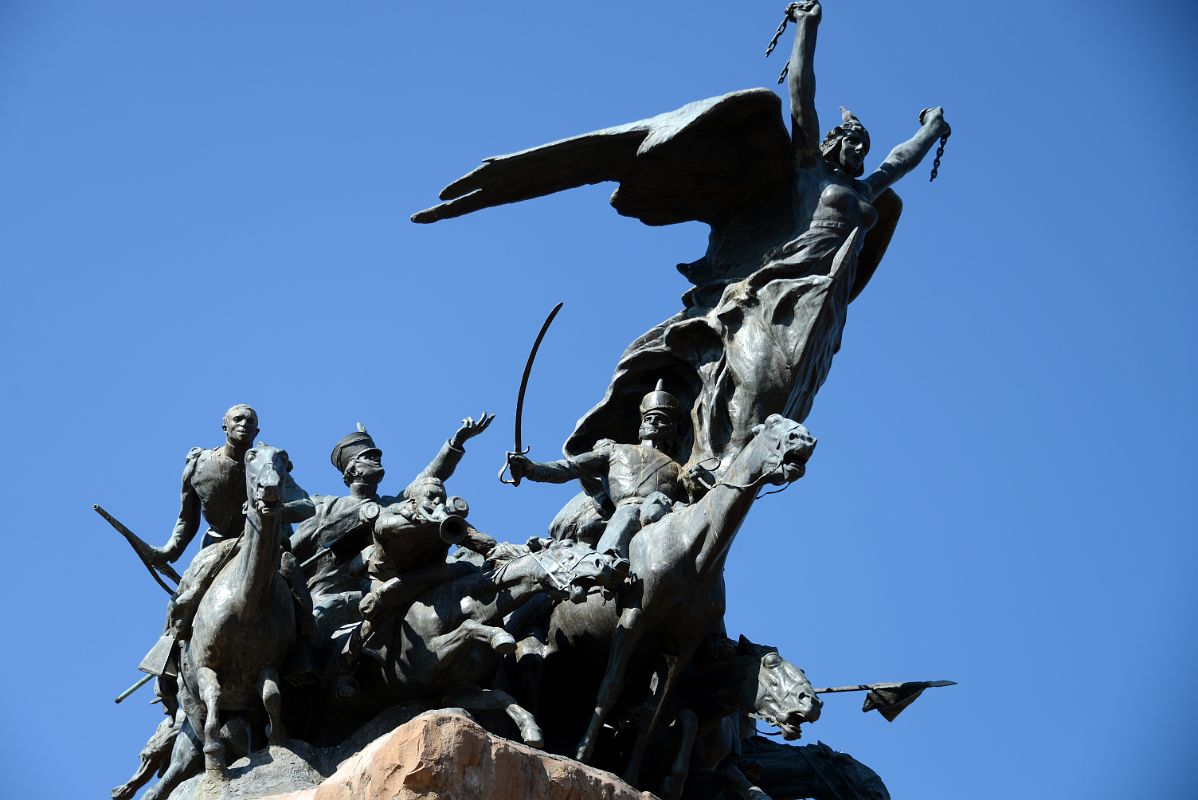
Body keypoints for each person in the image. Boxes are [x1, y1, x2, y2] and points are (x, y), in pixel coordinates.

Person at [141, 404, 314, 677]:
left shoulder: (269, 464)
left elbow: (306, 506)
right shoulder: (199, 466)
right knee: (185, 593)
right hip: (220, 545)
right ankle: (168, 658)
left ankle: (303, 651)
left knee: (294, 580)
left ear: (257, 430)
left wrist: (273, 508)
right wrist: (167, 551)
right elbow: (187, 520)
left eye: (250, 421)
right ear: (225, 426)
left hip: (267, 546)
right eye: (238, 419)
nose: (244, 423)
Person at [507, 381, 706, 563]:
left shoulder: (677, 468)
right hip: (626, 509)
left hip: (661, 514)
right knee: (628, 513)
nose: (653, 422)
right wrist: (531, 469)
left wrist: (695, 481)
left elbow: (690, 501)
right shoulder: (614, 450)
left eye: (661, 420)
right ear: (641, 426)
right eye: (649, 418)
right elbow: (569, 468)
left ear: (671, 429)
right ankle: (607, 560)